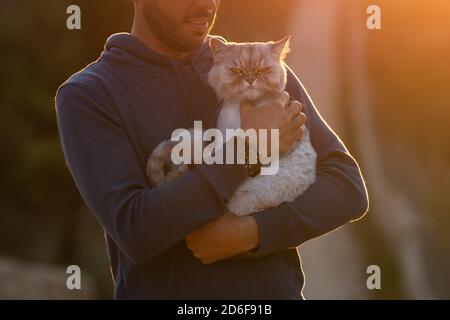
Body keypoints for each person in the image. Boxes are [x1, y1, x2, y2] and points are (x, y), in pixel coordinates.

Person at [55, 0, 369, 299]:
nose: (206, 5)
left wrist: (255, 231)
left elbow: (347, 186)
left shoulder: (260, 68)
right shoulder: (90, 94)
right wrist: (250, 151)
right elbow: (135, 229)